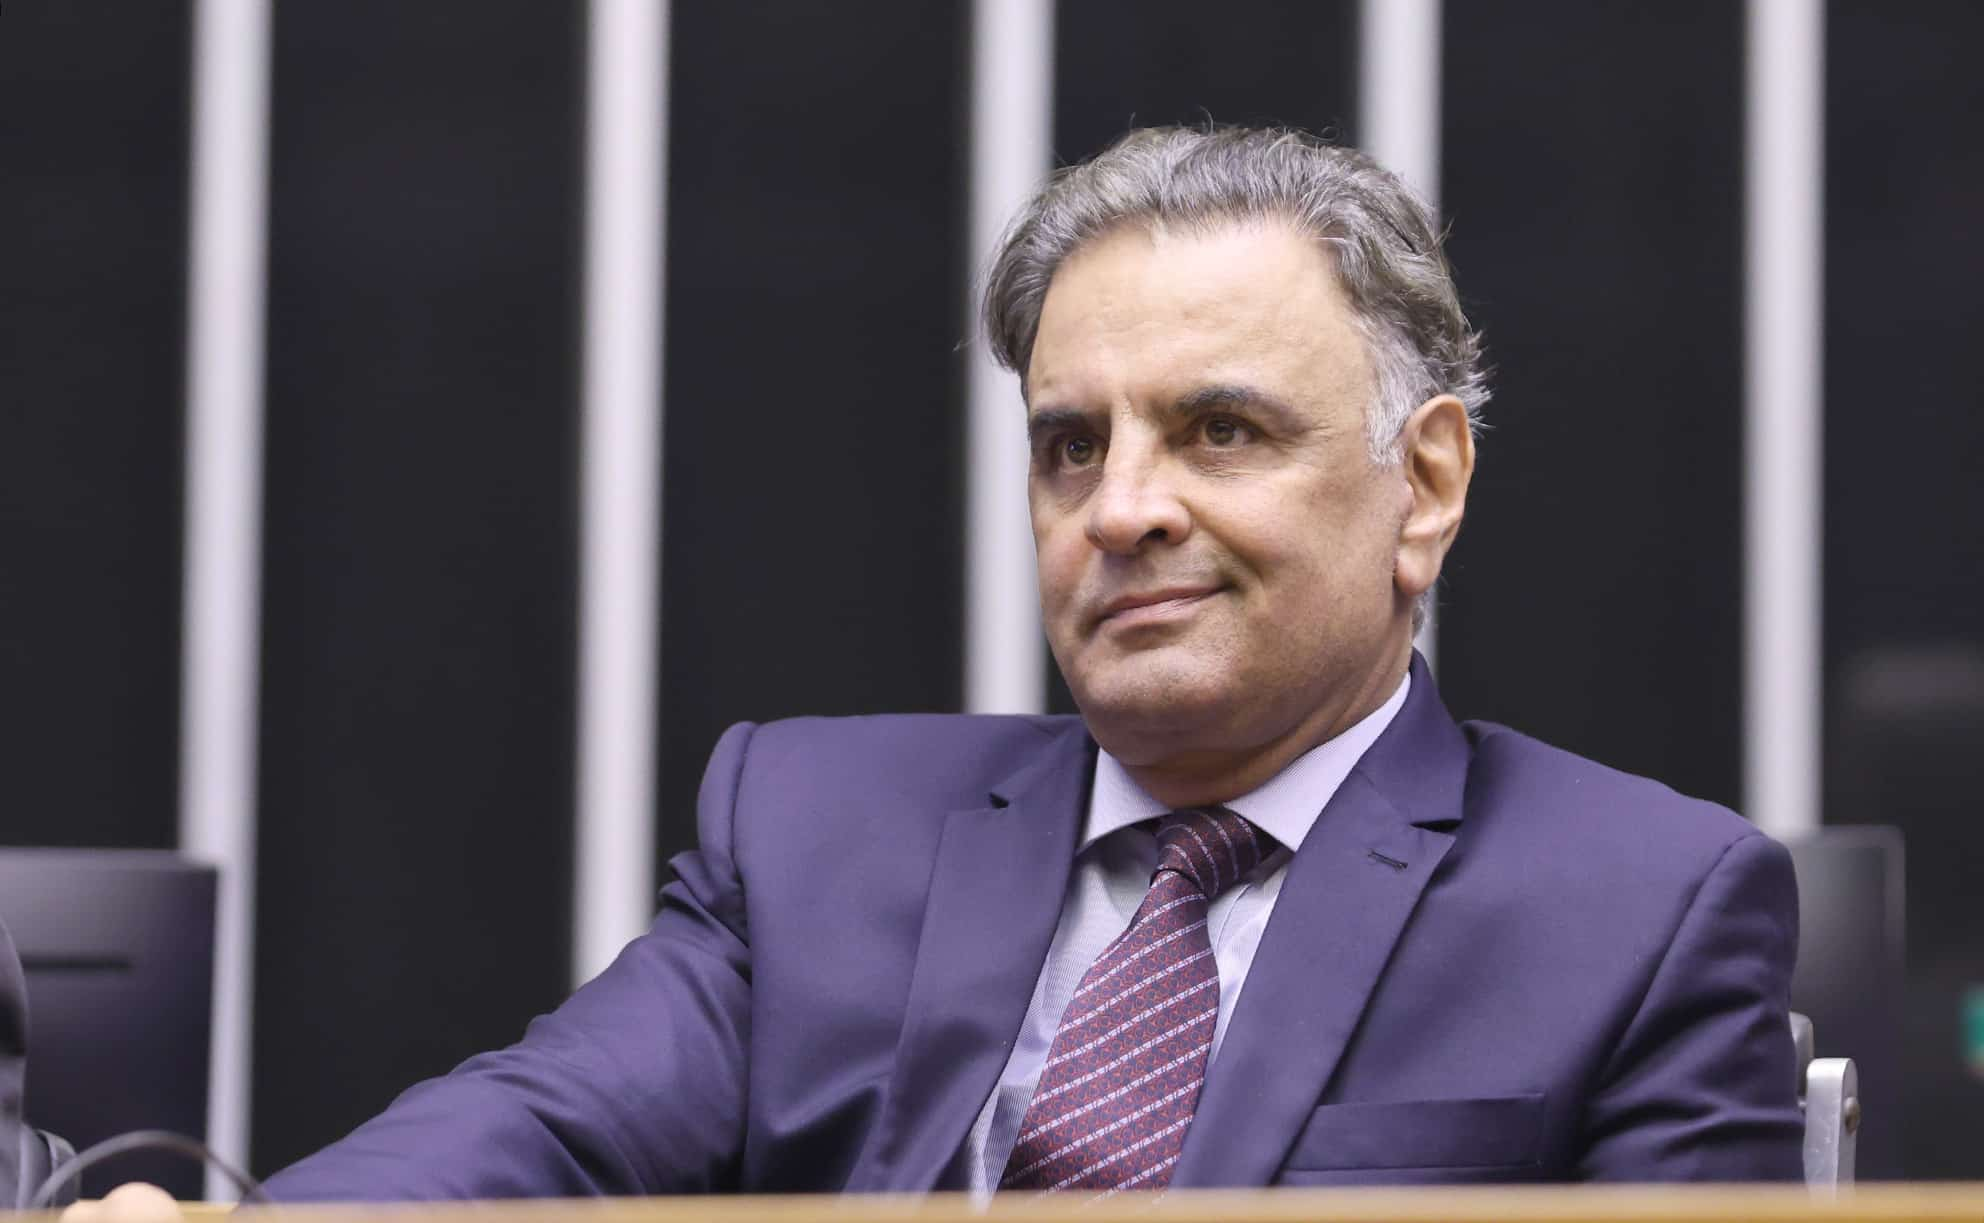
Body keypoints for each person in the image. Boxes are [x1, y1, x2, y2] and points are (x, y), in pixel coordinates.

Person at [71, 126, 1802, 1216]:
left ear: (1422, 484)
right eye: (1070, 444)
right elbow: (545, 1129)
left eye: (1220, 430)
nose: (1123, 508)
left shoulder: (1641, 908)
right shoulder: (817, 828)